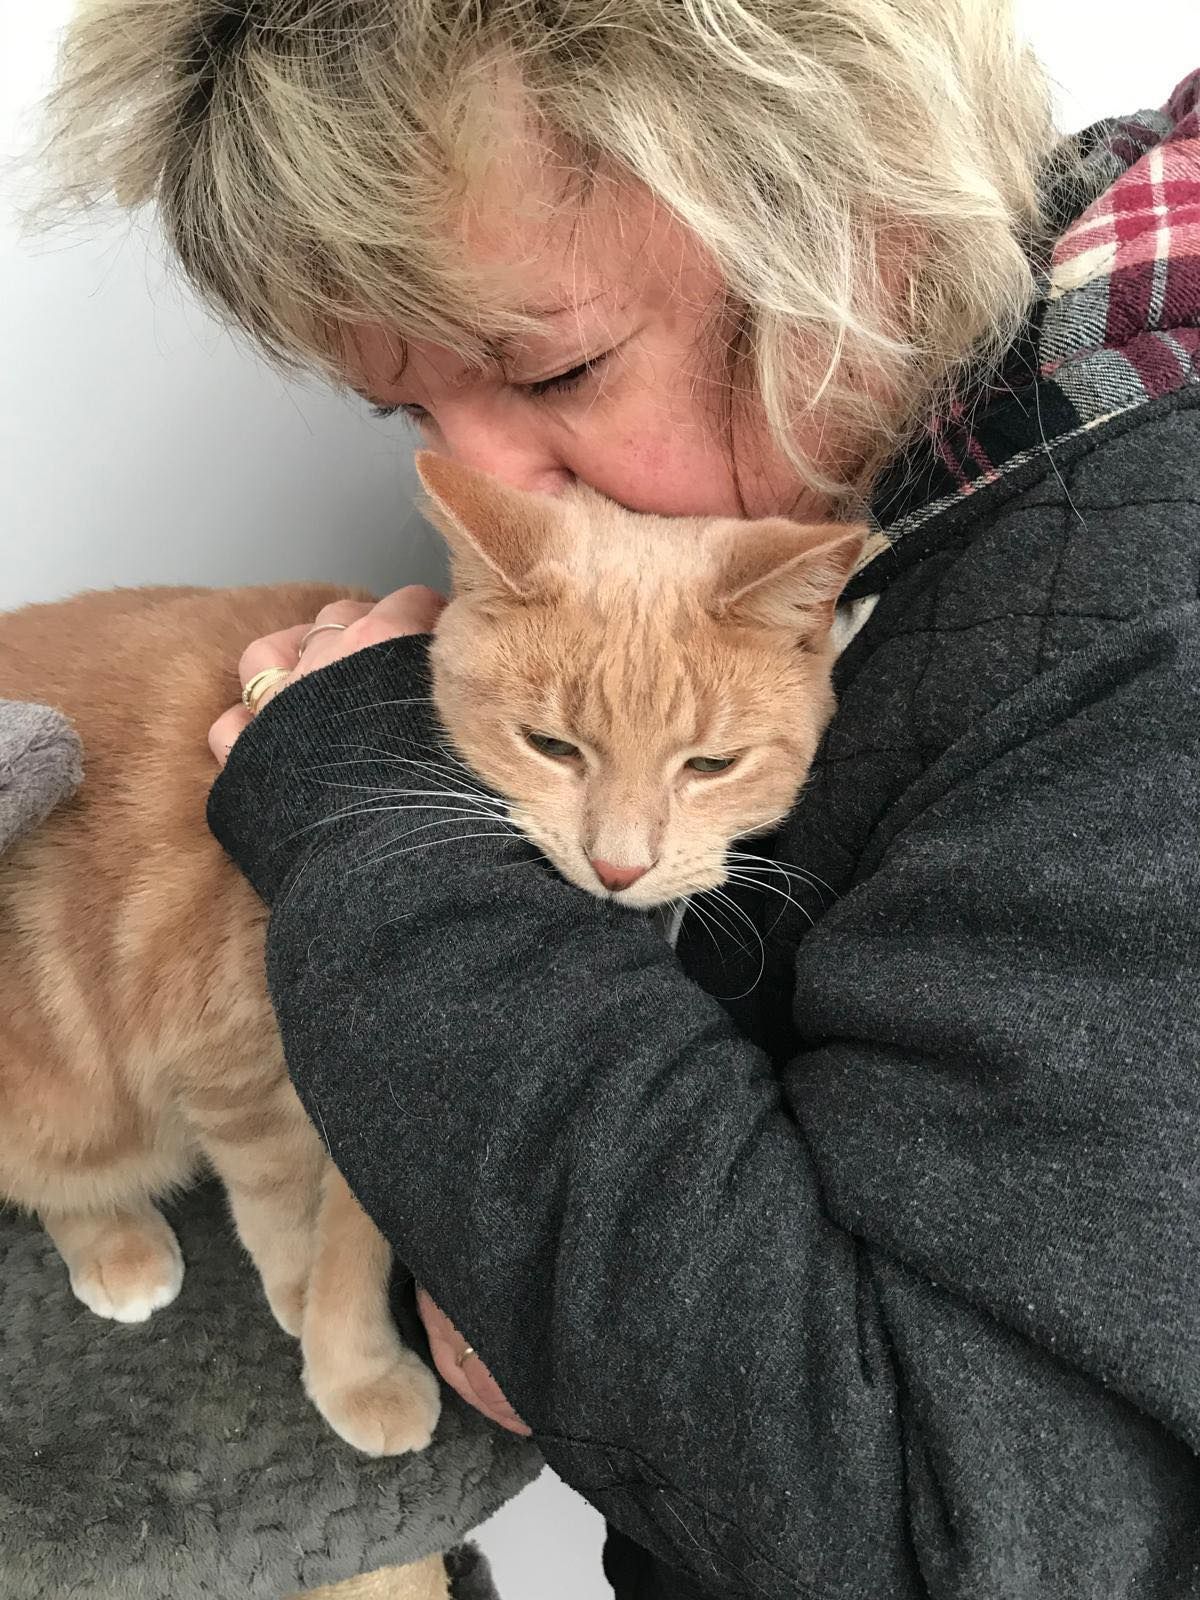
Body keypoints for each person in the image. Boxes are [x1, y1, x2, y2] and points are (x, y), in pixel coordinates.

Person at [45, 2, 1200, 1594]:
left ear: (860, 206)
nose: (478, 485)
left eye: (556, 368)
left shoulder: (1150, 619)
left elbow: (943, 1532)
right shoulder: (998, 426)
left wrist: (362, 810)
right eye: (413, 412)